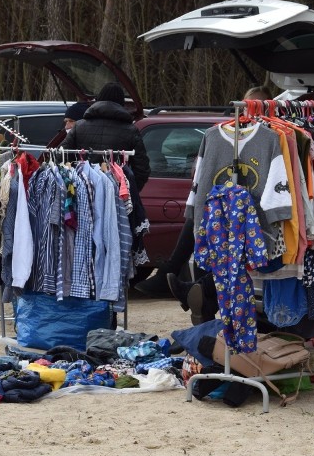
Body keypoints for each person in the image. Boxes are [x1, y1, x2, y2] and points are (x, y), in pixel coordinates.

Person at [134, 86, 273, 320]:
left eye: (249, 108)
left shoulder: (272, 137)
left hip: (254, 221)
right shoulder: (218, 134)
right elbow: (202, 179)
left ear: (263, 107)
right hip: (225, 215)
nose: (244, 113)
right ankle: (201, 332)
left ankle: (184, 286)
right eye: (243, 107)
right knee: (205, 238)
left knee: (219, 256)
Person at [60, 82, 150, 190]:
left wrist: (72, 186)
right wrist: (129, 191)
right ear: (121, 104)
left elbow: (60, 156)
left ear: (98, 100)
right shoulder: (130, 130)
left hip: (83, 192)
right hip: (117, 194)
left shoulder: (79, 126)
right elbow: (142, 169)